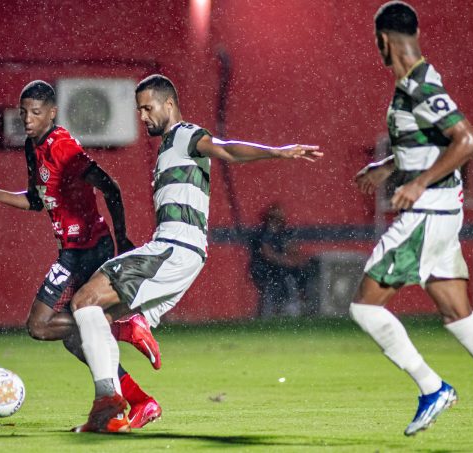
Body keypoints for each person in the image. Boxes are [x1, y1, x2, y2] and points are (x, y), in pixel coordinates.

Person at [66, 74, 321, 433]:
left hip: (174, 248)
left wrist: (277, 152)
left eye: (147, 108)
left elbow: (227, 149)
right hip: (178, 253)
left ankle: (107, 401)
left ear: (168, 104)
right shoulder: (169, 148)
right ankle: (138, 398)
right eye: (139, 109)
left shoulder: (185, 134)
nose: (142, 116)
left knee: (84, 300)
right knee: (79, 332)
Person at [351, 2, 473, 446]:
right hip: (441, 214)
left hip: (428, 214)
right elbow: (430, 143)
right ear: (414, 31)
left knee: (364, 307)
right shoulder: (413, 85)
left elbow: (467, 140)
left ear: (383, 40)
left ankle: (431, 387)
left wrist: (418, 184)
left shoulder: (419, 86)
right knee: (459, 315)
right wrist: (387, 167)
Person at [0, 80, 162, 429]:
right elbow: (37, 200)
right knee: (70, 338)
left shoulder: (64, 147)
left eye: (35, 113)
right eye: (23, 112)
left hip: (90, 248)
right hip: (71, 249)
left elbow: (110, 187)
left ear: (52, 113)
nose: (27, 119)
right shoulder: (32, 146)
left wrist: (122, 239)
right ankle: (138, 399)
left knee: (42, 325)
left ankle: (121, 332)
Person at [249, 203, 314, 317]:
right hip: (265, 268)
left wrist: (297, 259)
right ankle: (271, 312)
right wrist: (285, 261)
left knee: (302, 272)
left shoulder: (283, 233)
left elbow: (292, 249)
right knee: (277, 281)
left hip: (281, 268)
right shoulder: (264, 234)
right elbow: (267, 254)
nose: (279, 220)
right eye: (275, 217)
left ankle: (298, 304)